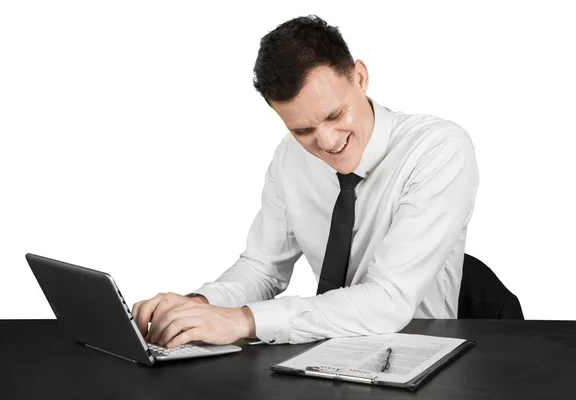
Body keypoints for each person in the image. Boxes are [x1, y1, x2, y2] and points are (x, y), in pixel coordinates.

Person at [132, 15, 479, 347]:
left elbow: (389, 299)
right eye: (303, 130)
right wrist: (198, 306)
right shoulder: (290, 158)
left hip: (418, 351)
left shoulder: (438, 149)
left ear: (359, 77)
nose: (327, 142)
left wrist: (243, 320)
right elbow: (263, 268)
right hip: (324, 351)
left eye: (335, 114)